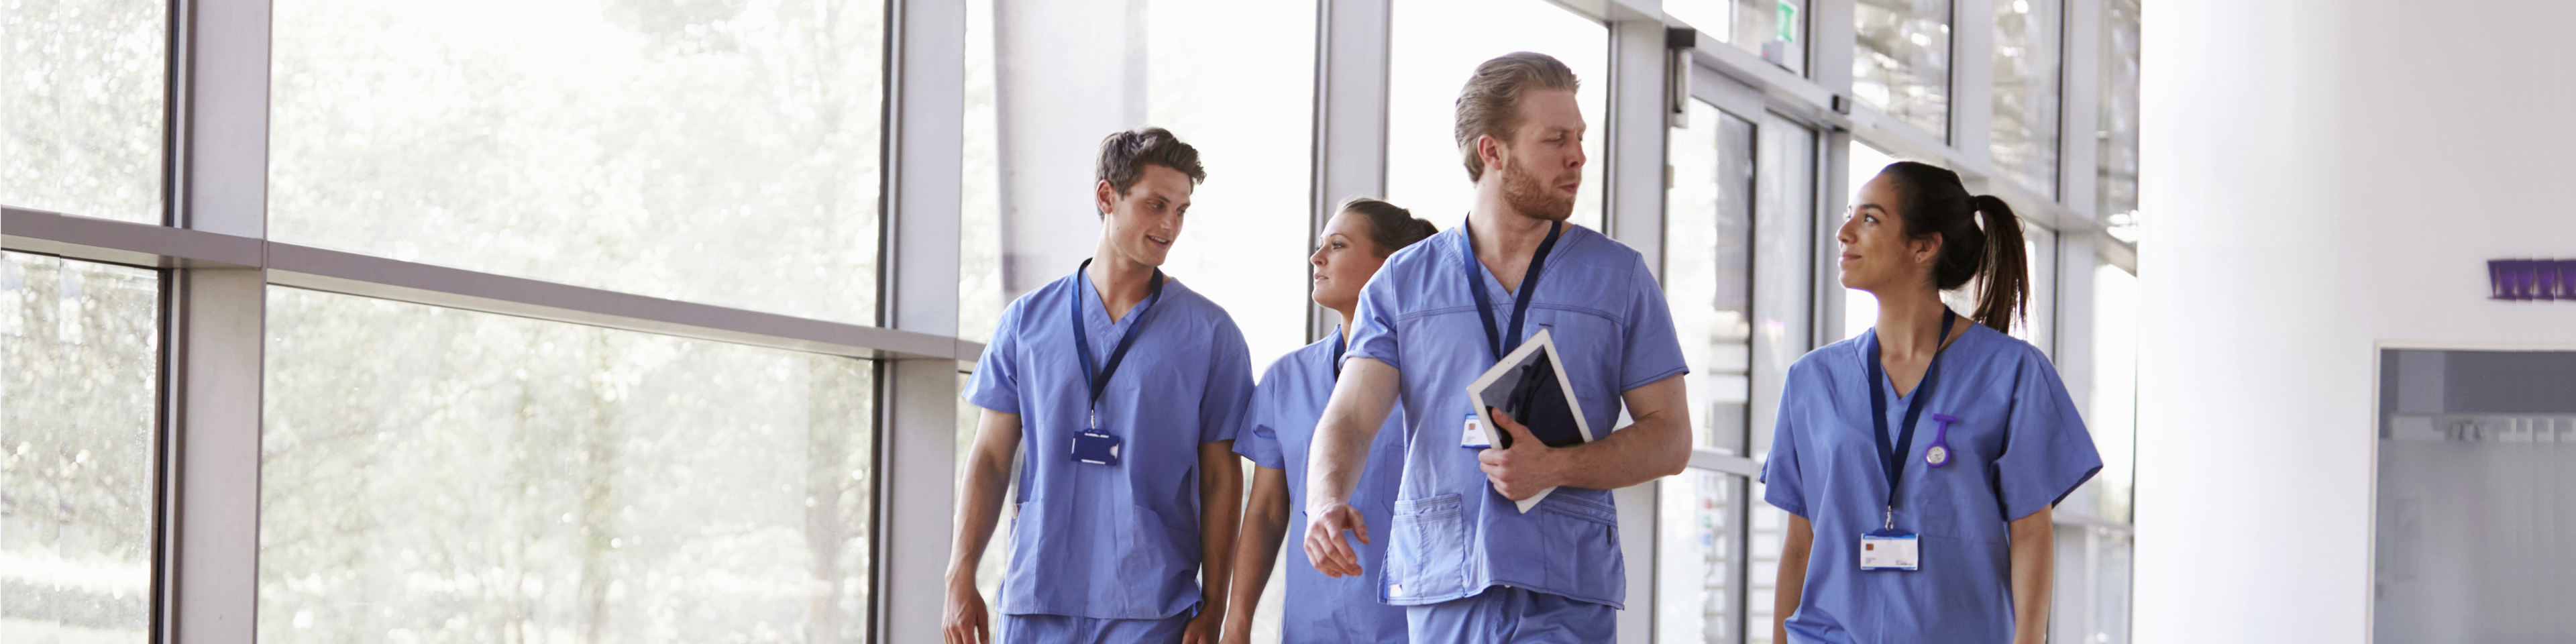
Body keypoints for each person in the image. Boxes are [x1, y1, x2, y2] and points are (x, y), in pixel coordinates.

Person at [1298, 52, 1693, 643]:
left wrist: (1556, 467)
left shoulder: (1619, 279)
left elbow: (1670, 438)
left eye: (1580, 138)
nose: (1578, 155)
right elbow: (1352, 416)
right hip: (1443, 582)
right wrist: (1326, 500)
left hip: (1566, 589)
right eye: (1556, 139)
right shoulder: (1403, 283)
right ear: (1492, 151)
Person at [1763, 161, 2102, 644]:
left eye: (1870, 219)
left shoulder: (2012, 373)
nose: (1843, 232)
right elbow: (1800, 543)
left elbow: (2031, 532)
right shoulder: (1811, 381)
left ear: (1924, 246)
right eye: (1848, 215)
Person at [943, 127, 1252, 644]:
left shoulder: (1211, 334)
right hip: (1037, 597)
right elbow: (991, 458)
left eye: (1181, 210)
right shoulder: (1027, 322)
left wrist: (1216, 605)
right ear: (1107, 197)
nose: (1170, 225)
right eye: (1156, 205)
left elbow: (1222, 478)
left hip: (1152, 607)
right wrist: (960, 574)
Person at [1220, 198, 1439, 644]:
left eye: (1337, 246)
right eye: (1321, 245)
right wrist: (1237, 621)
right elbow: (1265, 512)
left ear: (1391, 265)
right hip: (1310, 627)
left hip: (1416, 626)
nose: (1316, 258)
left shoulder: (1437, 376)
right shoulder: (1286, 378)